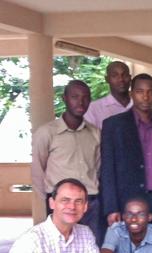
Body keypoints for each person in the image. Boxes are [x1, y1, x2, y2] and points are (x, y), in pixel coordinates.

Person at [101, 73, 152, 235]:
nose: (145, 96)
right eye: (140, 91)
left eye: (150, 92)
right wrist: (111, 208)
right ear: (131, 94)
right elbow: (107, 170)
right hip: (128, 200)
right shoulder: (114, 125)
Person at [32, 80, 102, 240]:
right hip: (60, 203)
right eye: (75, 96)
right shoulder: (47, 133)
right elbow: (37, 171)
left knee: (91, 244)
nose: (81, 101)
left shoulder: (95, 133)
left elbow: (97, 167)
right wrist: (51, 201)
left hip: (90, 202)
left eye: (85, 97)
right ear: (64, 99)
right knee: (59, 244)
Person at [84, 61, 132, 130]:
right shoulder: (93, 109)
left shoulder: (140, 106)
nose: (121, 79)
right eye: (115, 76)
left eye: (124, 75)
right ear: (107, 79)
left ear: (130, 78)